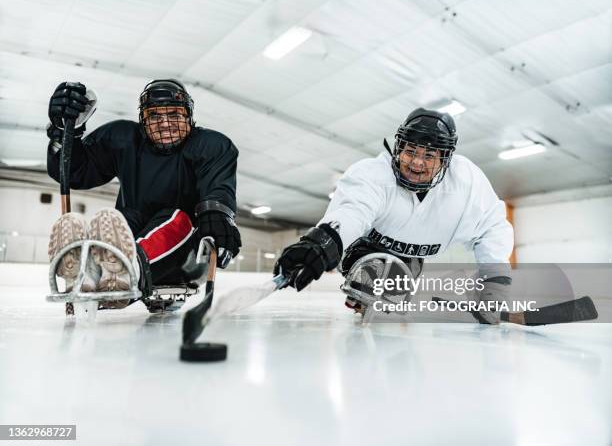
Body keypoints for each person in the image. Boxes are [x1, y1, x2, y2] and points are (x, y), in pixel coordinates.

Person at [273, 108, 514, 324]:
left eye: (429, 156)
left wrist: (494, 281)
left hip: (411, 261)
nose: (417, 162)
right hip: (368, 250)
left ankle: (397, 282)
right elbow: (352, 212)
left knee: (397, 274)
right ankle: (364, 289)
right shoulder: (373, 175)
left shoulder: (467, 184)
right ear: (398, 148)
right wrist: (319, 245)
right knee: (379, 268)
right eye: (410, 151)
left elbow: (492, 227)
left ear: (445, 160)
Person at [46, 80, 241, 307]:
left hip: (186, 256)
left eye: (174, 114)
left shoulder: (210, 145)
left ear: (188, 115)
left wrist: (217, 215)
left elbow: (218, 188)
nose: (165, 124)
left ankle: (128, 273)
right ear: (143, 119)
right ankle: (90, 273)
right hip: (134, 236)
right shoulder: (124, 139)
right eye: (155, 116)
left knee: (175, 218)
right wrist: (64, 134)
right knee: (117, 219)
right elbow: (75, 173)